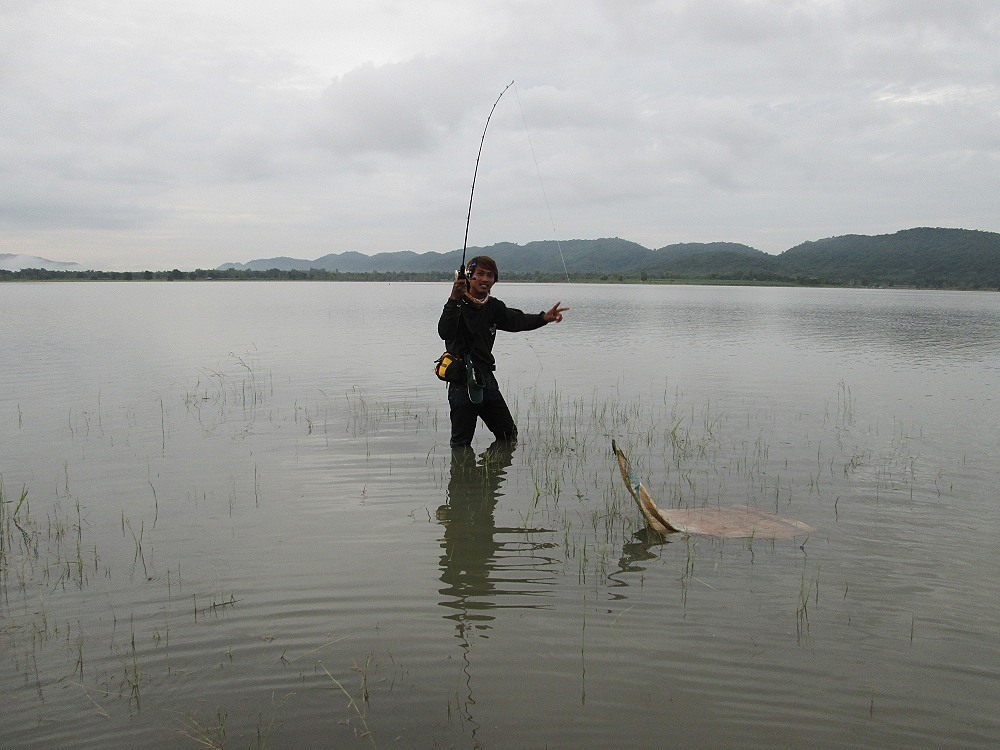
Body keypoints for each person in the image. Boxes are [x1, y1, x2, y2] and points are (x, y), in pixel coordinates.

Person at [438, 255, 568, 447]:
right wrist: (453, 299)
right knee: (461, 444)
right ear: (468, 276)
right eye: (479, 274)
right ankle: (463, 477)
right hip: (460, 382)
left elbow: (517, 320)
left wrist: (543, 318)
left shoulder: (493, 306)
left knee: (508, 434)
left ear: (494, 280)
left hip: (486, 379)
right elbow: (444, 332)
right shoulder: (456, 304)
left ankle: (488, 475)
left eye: (490, 275)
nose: (484, 279)